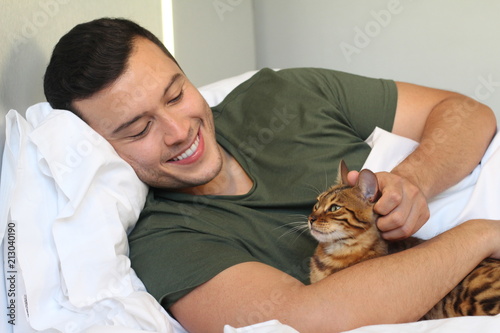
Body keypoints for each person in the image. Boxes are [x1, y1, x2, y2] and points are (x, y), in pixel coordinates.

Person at [43, 18, 500, 333]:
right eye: (140, 129)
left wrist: (415, 177)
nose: (179, 131)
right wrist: (478, 237)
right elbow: (298, 322)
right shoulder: (163, 238)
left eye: (176, 93)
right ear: (98, 148)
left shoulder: (283, 93)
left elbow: (467, 113)